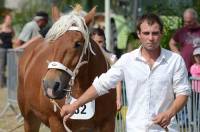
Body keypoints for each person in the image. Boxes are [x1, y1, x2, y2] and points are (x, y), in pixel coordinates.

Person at [60, 13, 190, 131]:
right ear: (139, 34)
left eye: (155, 33)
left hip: (166, 129)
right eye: (146, 33)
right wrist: (75, 105)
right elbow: (101, 84)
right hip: (136, 128)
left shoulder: (175, 60)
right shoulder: (128, 60)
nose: (151, 38)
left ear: (161, 33)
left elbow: (183, 93)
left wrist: (170, 113)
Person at [90, 28, 122, 110]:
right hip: (92, 98)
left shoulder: (112, 57)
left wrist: (118, 98)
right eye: (95, 42)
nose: (98, 45)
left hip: (108, 97)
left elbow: (118, 79)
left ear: (105, 42)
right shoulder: (88, 58)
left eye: (100, 42)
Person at [169, 8, 200, 72]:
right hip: (185, 68)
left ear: (195, 19)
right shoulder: (181, 31)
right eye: (185, 21)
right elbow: (171, 43)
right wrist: (178, 54)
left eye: (189, 21)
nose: (186, 23)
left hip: (198, 69)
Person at [0, 14, 15, 88]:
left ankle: (11, 84)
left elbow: (13, 36)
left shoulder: (11, 28)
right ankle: (2, 83)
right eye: (8, 19)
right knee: (2, 67)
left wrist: (13, 41)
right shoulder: (1, 27)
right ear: (5, 19)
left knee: (11, 67)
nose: (9, 20)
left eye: (10, 19)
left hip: (10, 49)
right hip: (2, 49)